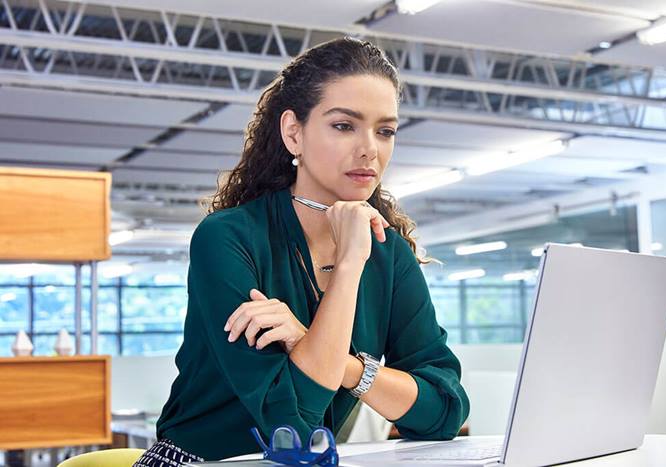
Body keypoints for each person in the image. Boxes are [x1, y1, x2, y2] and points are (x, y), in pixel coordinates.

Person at [134, 36, 469, 466]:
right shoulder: (227, 239)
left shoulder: (389, 255)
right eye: (344, 125)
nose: (370, 148)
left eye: (385, 131)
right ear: (294, 133)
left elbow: (444, 410)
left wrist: (341, 363)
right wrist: (348, 265)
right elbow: (292, 423)